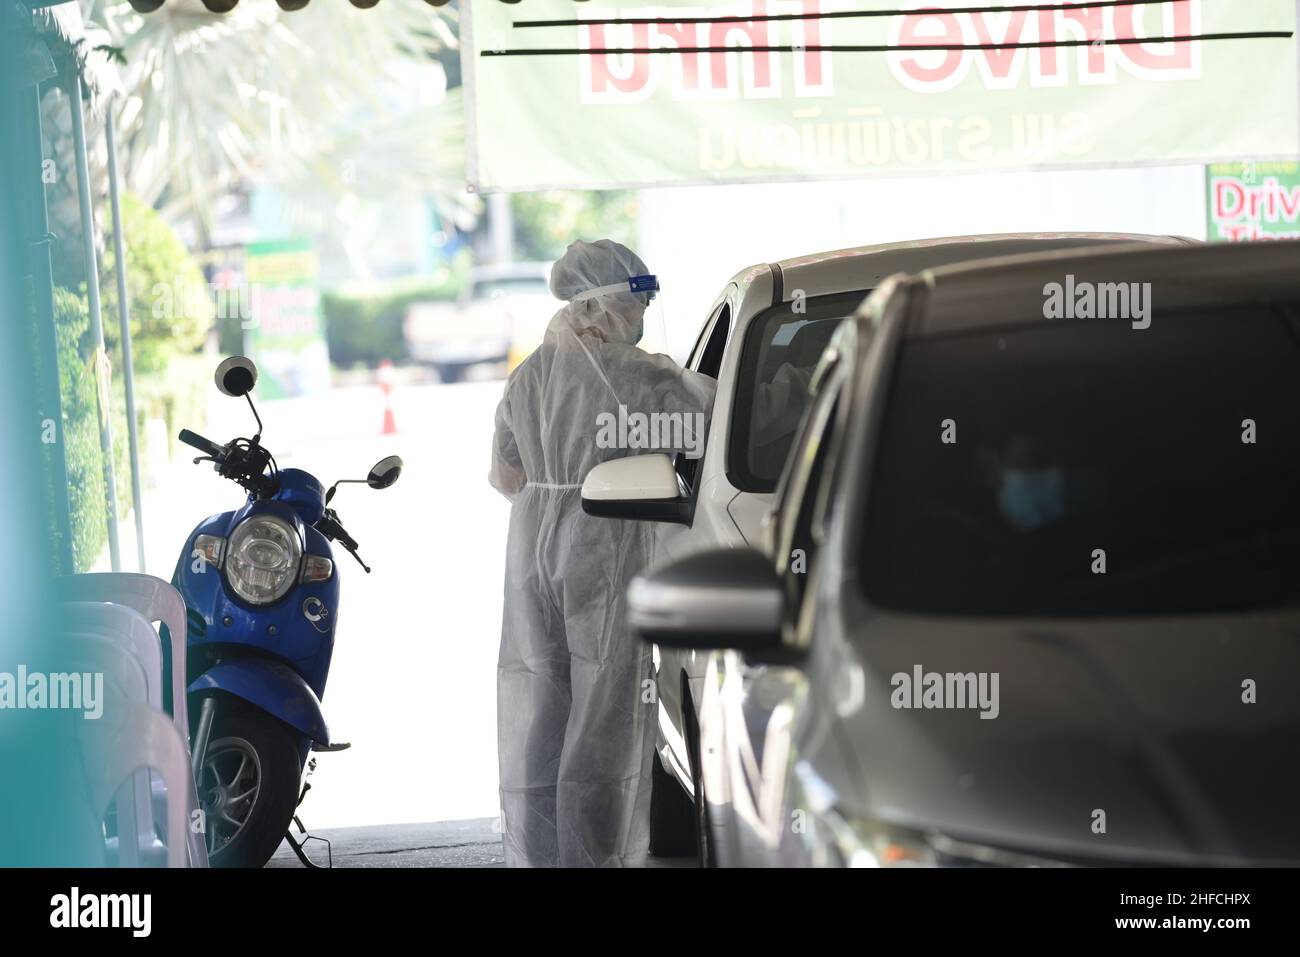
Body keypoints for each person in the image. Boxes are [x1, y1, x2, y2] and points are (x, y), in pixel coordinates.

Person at [489, 239, 716, 867]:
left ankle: (542, 856)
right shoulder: (634, 375)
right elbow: (718, 420)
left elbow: (505, 473)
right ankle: (597, 858)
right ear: (608, 304)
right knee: (605, 714)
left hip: (532, 553)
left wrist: (551, 488)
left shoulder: (528, 374)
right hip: (603, 545)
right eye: (636, 300)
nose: (641, 314)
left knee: (543, 705)